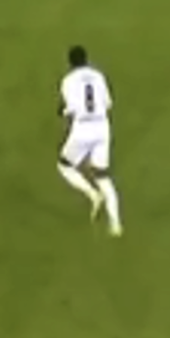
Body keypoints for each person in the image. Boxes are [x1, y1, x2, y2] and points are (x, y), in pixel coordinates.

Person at [56, 44, 123, 237]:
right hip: (102, 127)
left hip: (82, 128)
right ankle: (116, 225)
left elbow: (68, 109)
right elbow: (107, 103)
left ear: (70, 63)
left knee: (65, 166)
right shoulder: (98, 76)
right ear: (86, 60)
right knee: (103, 175)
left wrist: (61, 111)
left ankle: (93, 195)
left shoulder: (68, 81)